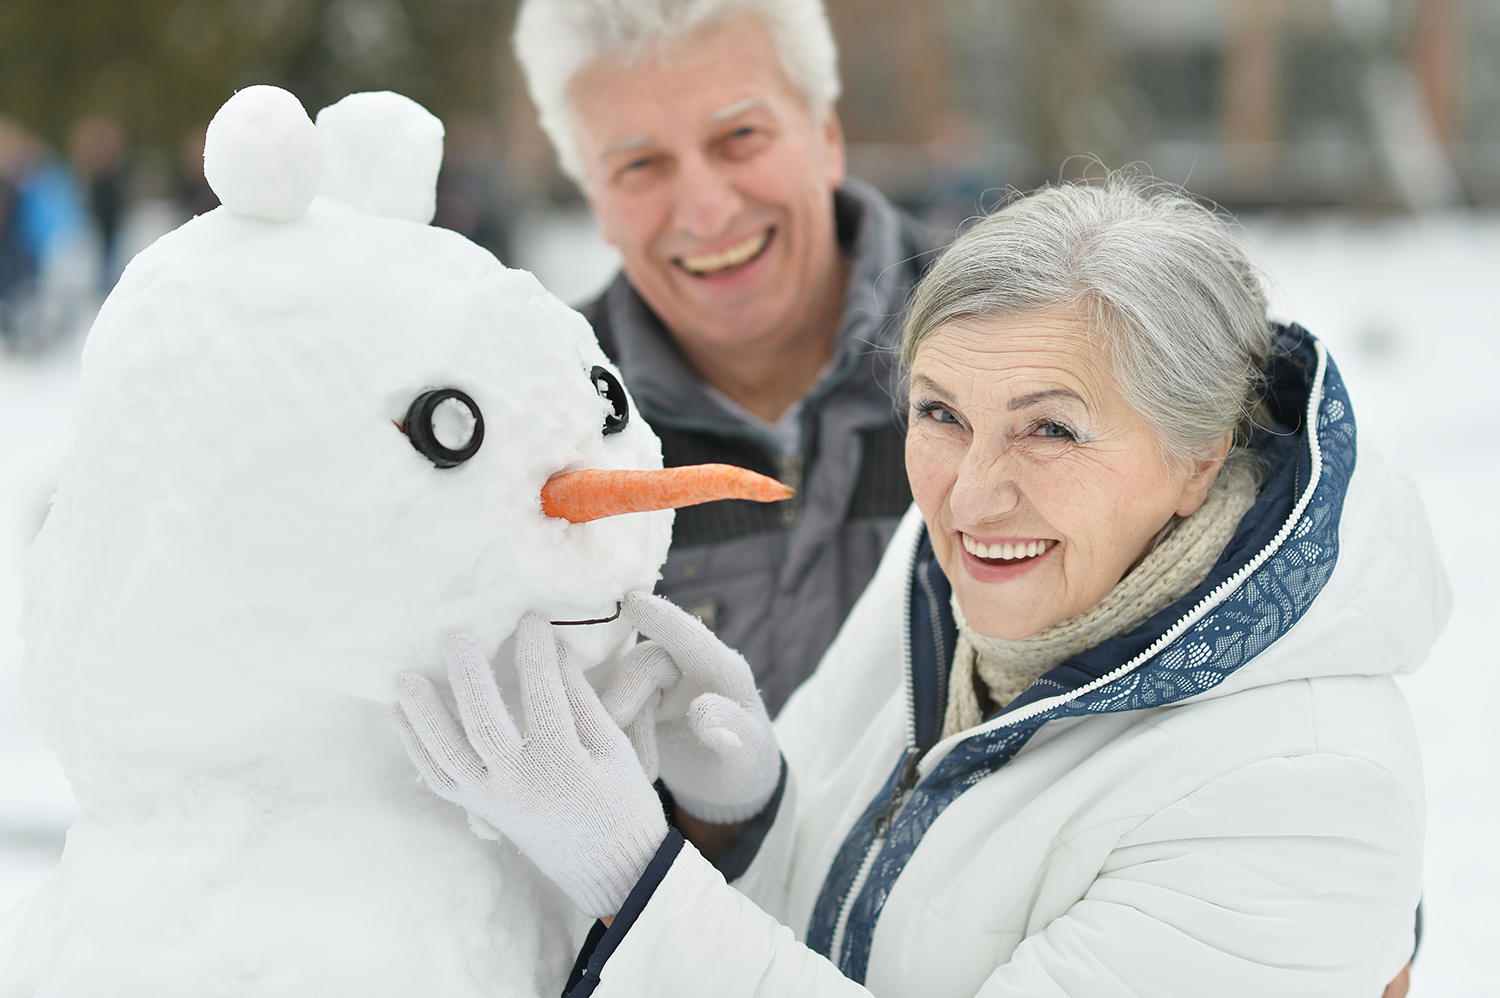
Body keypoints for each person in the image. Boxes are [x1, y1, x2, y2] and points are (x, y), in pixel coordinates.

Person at [393, 173, 1445, 996]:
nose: (974, 493)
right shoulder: (957, 570)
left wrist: (635, 874)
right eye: (940, 411)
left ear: (1199, 457)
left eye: (1051, 427)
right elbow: (825, 923)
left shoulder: (1303, 794)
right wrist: (746, 812)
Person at [512, 0, 938, 713]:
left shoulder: (1026, 358)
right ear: (598, 199)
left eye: (739, 136)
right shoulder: (535, 432)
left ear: (826, 138)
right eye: (640, 164)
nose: (706, 211)